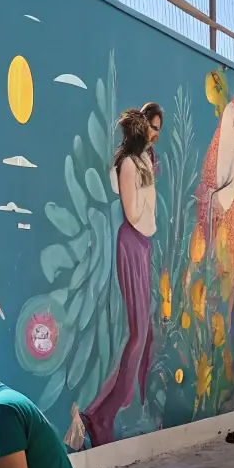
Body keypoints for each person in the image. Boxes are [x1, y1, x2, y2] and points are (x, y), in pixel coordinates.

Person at [80, 106, 158, 445]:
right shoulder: (129, 164)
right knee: (139, 334)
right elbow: (133, 211)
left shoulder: (144, 162)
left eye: (158, 128)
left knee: (146, 334)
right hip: (131, 242)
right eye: (151, 128)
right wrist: (143, 188)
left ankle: (109, 410)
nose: (155, 134)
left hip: (144, 244)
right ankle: (101, 415)